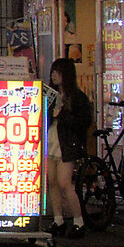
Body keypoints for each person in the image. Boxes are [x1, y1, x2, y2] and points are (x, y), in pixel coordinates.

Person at [48, 56, 93, 237]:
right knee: (52, 183)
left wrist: (62, 115)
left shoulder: (77, 97)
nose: (53, 76)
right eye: (53, 72)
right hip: (51, 142)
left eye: (57, 72)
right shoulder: (50, 95)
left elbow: (84, 122)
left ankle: (78, 221)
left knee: (65, 183)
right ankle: (58, 219)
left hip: (66, 145)